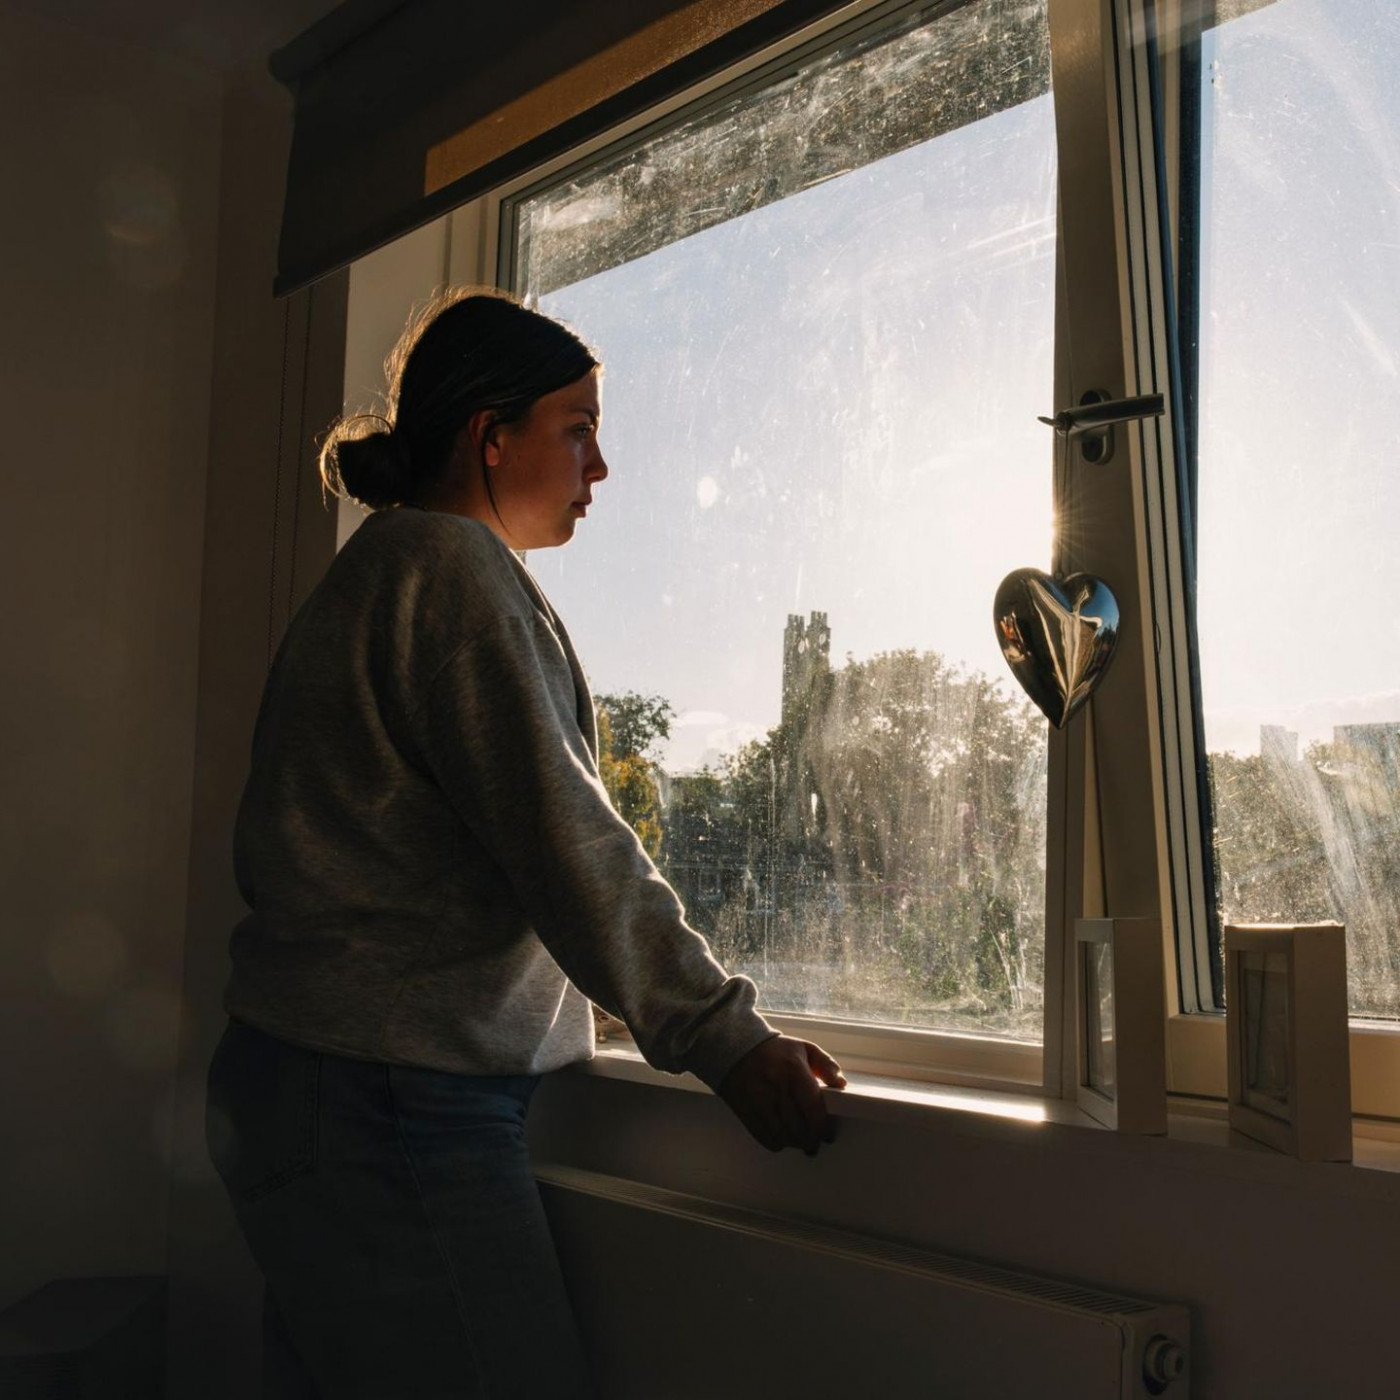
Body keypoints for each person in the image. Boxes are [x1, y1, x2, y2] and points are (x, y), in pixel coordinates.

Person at [205, 287, 847, 1399]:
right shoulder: (449, 574)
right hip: (386, 1100)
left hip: (312, 1082)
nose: (598, 468)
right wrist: (723, 1037)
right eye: (578, 427)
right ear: (488, 435)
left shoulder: (376, 574)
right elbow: (565, 837)